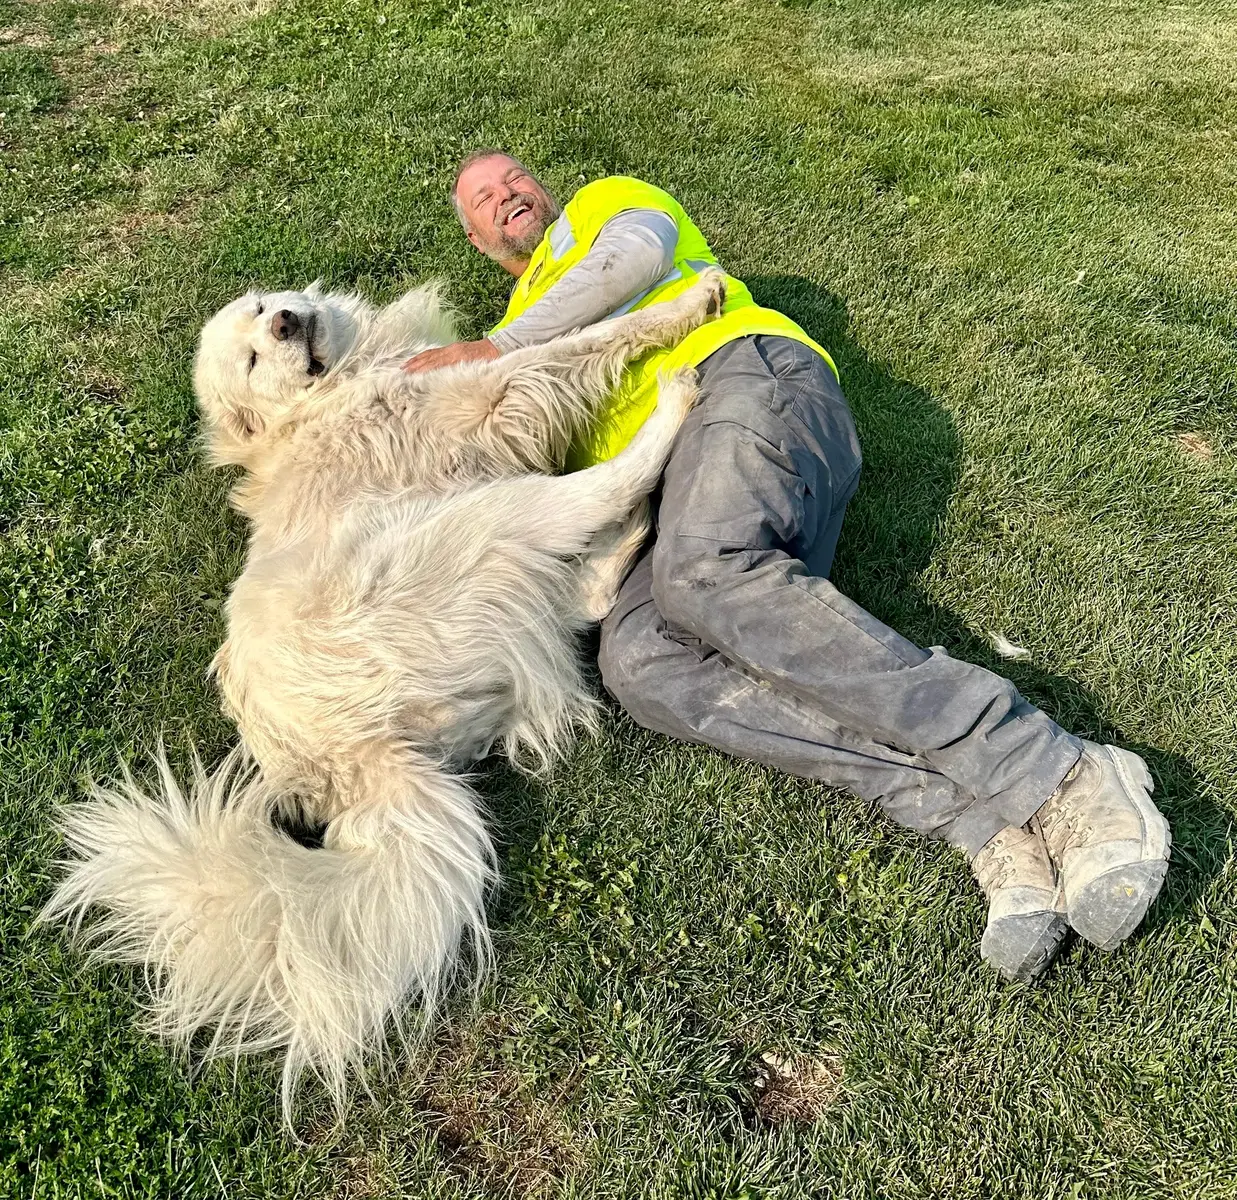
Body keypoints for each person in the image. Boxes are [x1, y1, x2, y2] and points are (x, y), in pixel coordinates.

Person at [403, 150, 1171, 982]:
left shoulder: (601, 211)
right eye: (483, 199)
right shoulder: (511, 332)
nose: (505, 193)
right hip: (660, 493)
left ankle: (1050, 767)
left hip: (740, 383)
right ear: (479, 241)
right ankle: (978, 819)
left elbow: (643, 255)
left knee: (705, 568)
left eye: (512, 178)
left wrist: (499, 346)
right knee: (637, 664)